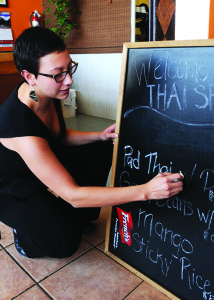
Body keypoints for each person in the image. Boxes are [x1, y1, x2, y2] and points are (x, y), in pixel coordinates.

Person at [0, 27, 183, 259]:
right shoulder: (18, 125)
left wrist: (99, 135)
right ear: (29, 76)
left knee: (100, 147)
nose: (69, 80)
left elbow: (58, 137)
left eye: (69, 68)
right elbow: (72, 194)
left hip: (38, 163)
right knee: (65, 241)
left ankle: (78, 215)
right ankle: (24, 237)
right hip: (13, 186)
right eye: (58, 74)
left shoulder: (44, 92)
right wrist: (146, 191)